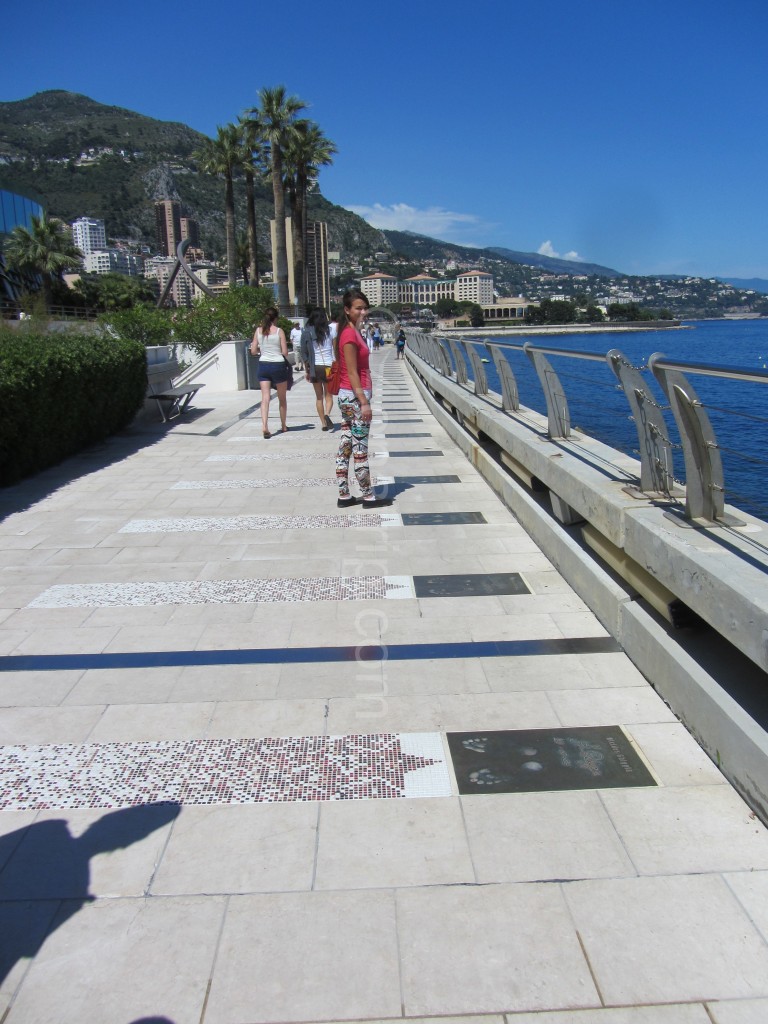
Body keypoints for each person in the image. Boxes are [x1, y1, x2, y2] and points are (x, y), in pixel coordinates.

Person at [334, 288, 390, 509]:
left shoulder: (352, 331)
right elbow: (352, 371)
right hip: (355, 398)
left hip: (348, 397)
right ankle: (368, 496)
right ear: (347, 310)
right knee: (360, 449)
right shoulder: (349, 335)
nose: (363, 312)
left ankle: (344, 495)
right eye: (358, 308)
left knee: (346, 444)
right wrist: (364, 402)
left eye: (365, 308)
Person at [250, 306, 290, 438]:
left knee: (265, 398)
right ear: (276, 318)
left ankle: (264, 426)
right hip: (278, 365)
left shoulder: (258, 331)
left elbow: (253, 351)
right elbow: (285, 352)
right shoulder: (279, 331)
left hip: (264, 364)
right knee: (282, 398)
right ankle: (283, 425)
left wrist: (263, 351)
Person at [300, 308, 335, 431]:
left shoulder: (307, 332)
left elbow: (303, 352)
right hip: (328, 367)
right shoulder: (330, 331)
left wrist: (307, 369)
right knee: (328, 396)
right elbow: (334, 349)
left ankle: (324, 424)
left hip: (315, 367)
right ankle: (327, 414)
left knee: (319, 397)